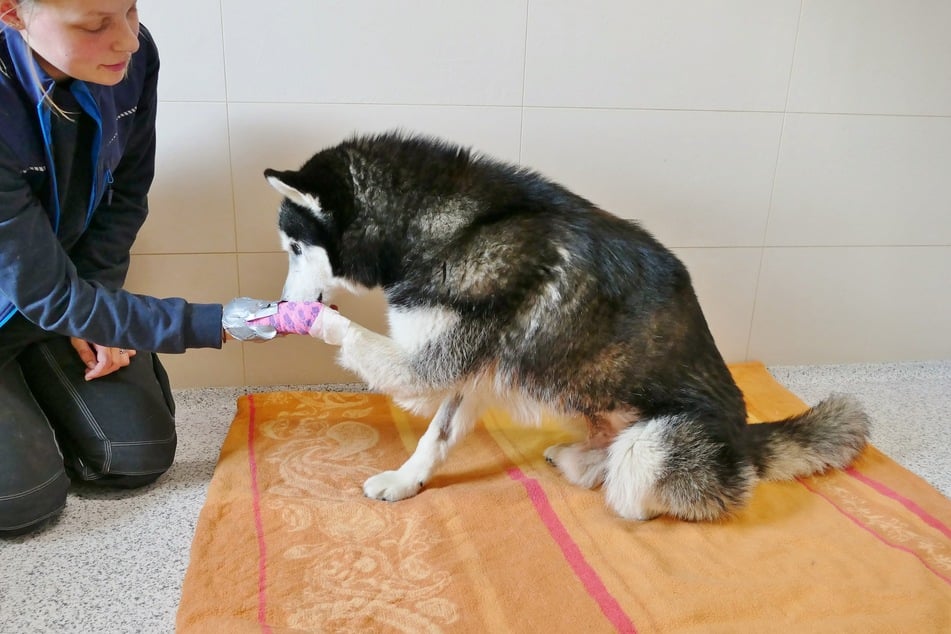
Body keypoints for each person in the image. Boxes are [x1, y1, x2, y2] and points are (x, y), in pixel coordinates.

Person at [0, 0, 276, 536]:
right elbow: (47, 294)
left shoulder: (133, 57)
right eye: (95, 24)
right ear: (12, 12)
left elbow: (125, 194)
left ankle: (36, 374)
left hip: (51, 295)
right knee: (23, 503)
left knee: (135, 453)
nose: (127, 38)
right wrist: (222, 321)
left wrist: (97, 305)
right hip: (29, 294)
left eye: (128, 9)